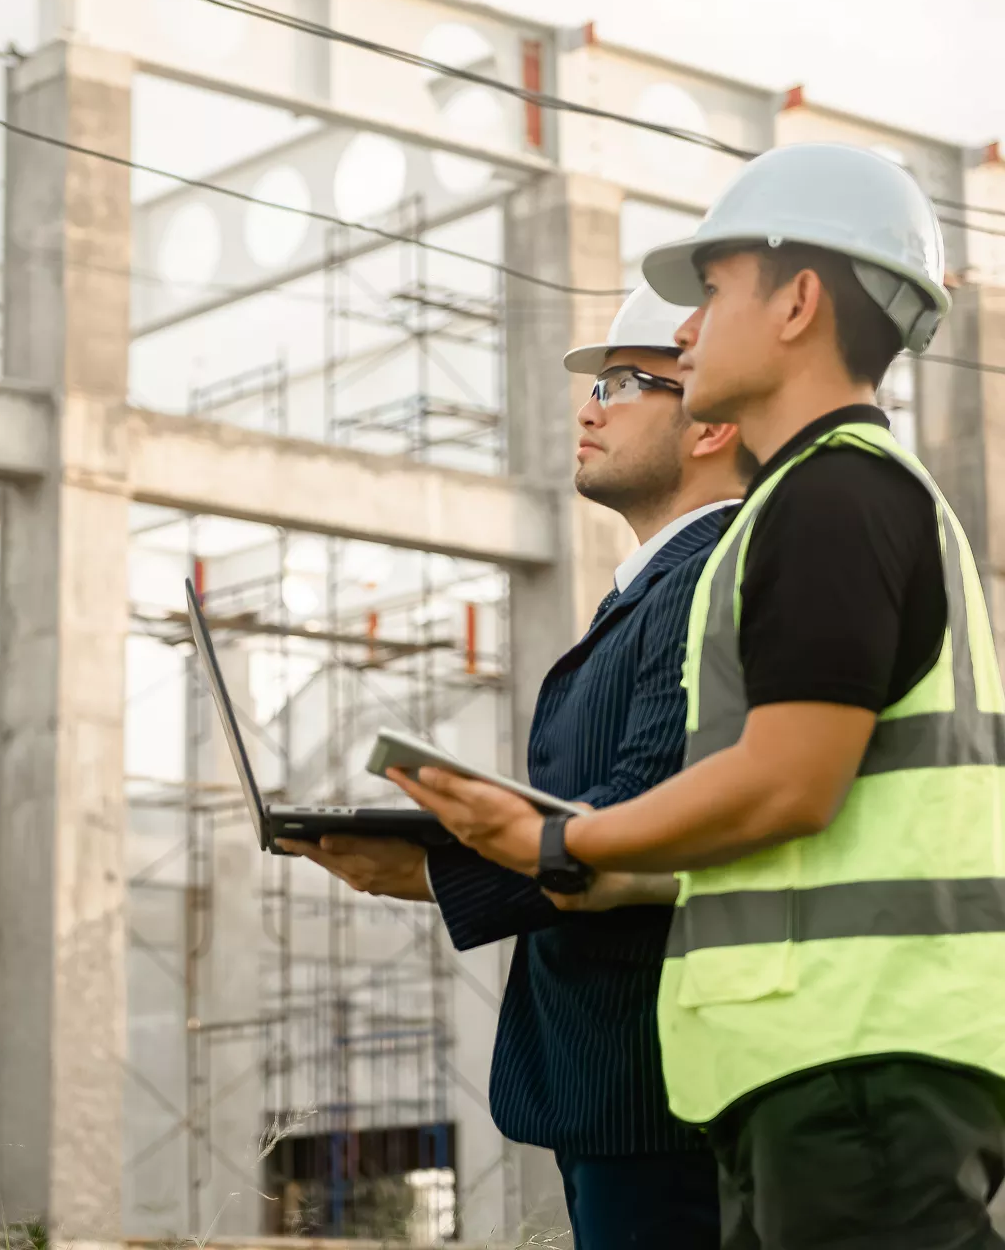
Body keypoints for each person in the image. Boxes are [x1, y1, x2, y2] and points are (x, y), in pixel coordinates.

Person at [393, 142, 1005, 1250]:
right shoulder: (811, 507)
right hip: (824, 1055)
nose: (682, 330)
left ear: (798, 303)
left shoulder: (837, 497)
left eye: (709, 293)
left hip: (861, 1055)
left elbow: (787, 782)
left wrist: (561, 842)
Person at [282, 284, 751, 1250]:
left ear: (711, 425)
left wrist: (430, 868)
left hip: (658, 1091)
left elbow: (646, 815)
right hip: (610, 1080)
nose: (589, 407)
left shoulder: (709, 576)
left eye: (624, 383)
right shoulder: (652, 587)